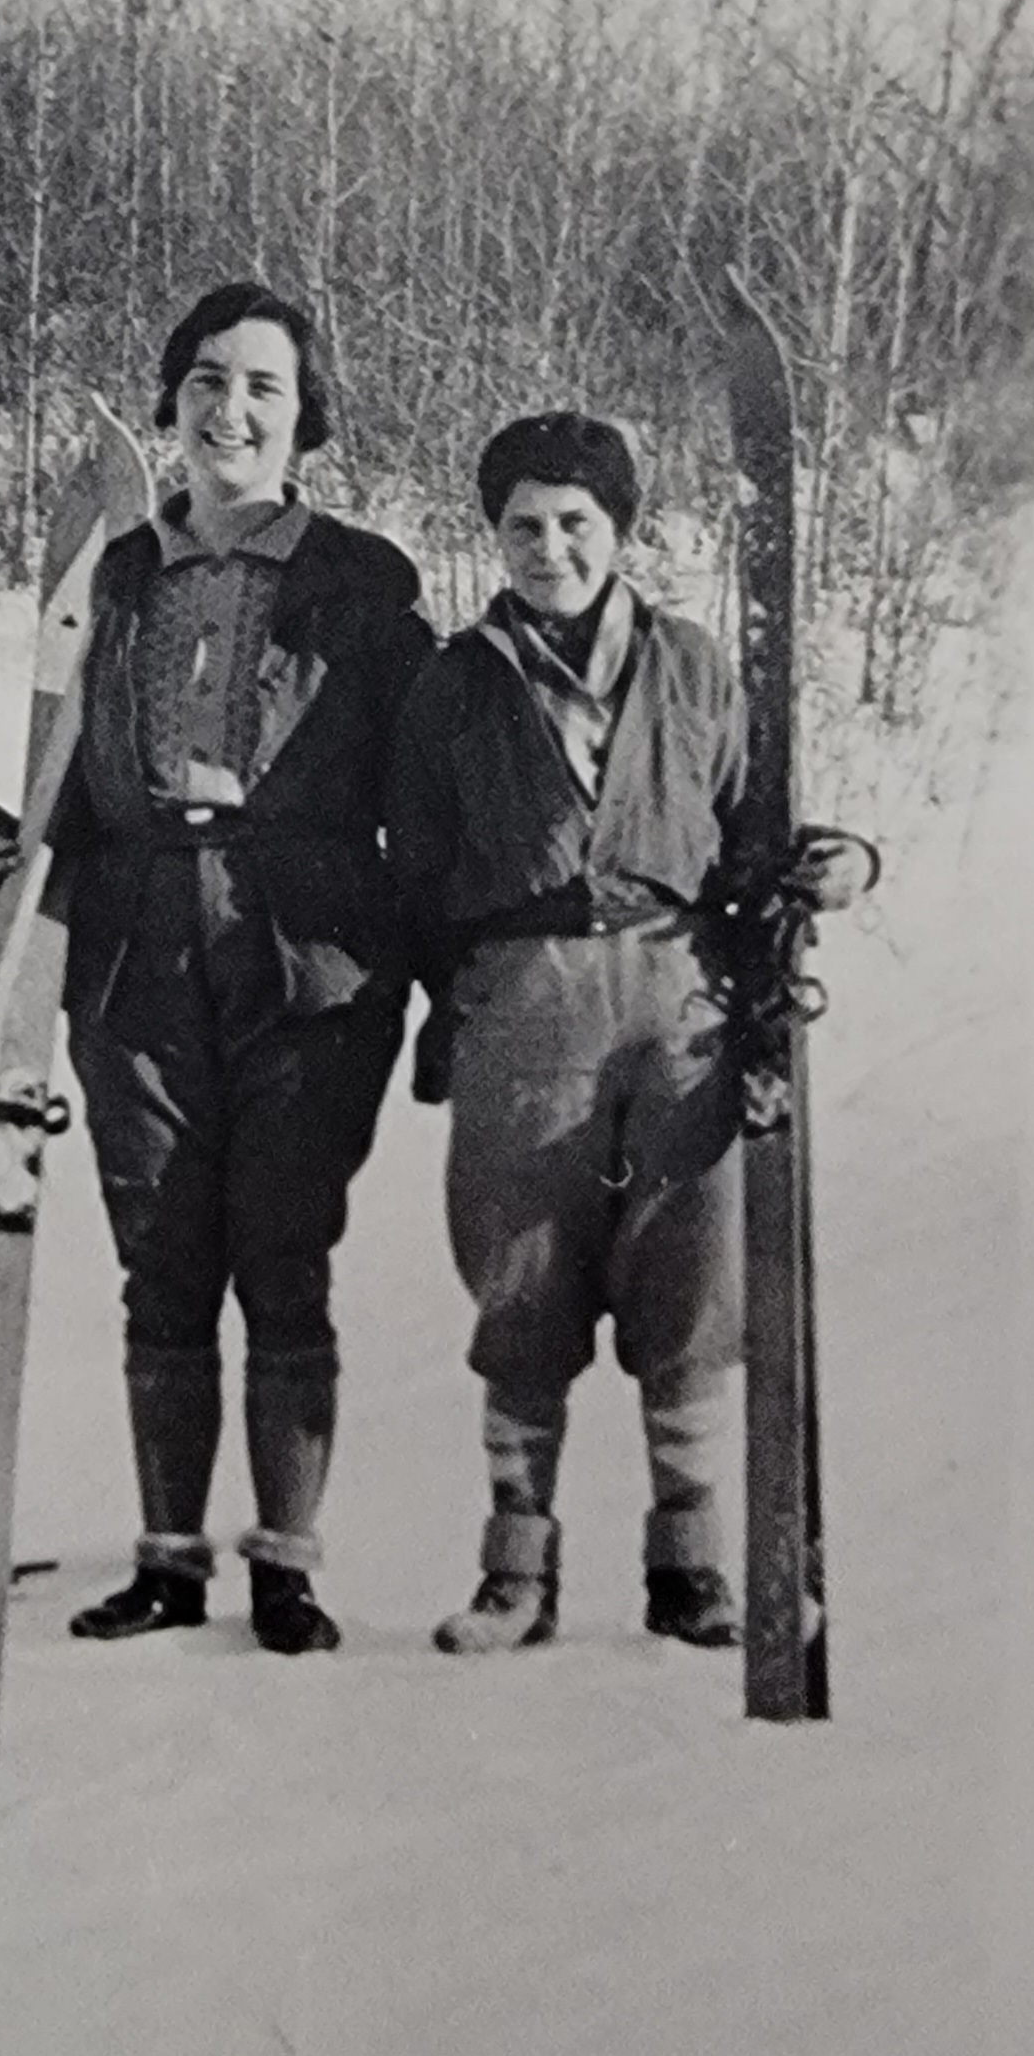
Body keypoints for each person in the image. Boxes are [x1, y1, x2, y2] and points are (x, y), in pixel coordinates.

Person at [0, 283, 432, 1654]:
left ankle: (285, 1565)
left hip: (307, 949)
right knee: (162, 1260)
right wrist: (19, 858)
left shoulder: (363, 581)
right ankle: (168, 1560)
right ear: (171, 399)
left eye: (262, 386)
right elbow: (64, 760)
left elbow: (428, 778)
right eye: (206, 381)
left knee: (282, 1256)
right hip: (131, 944)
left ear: (305, 413)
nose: (230, 411)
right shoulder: (106, 573)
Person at [386, 410, 860, 1654]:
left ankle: (689, 1566)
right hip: (521, 1002)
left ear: (619, 529)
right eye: (522, 527)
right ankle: (515, 1574)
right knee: (519, 1281)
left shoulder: (691, 664)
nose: (548, 549)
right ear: (491, 536)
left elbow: (753, 832)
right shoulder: (452, 682)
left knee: (687, 1279)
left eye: (574, 523)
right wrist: (466, 998)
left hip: (678, 999)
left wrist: (835, 866)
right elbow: (415, 868)